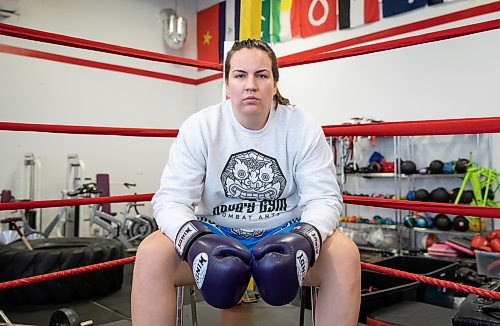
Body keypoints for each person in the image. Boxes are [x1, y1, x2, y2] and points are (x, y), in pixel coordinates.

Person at [131, 39, 361, 326]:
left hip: (284, 232)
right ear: (227, 85)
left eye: (261, 75)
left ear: (274, 84)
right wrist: (194, 241)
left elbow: (324, 198)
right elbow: (171, 200)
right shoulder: (201, 127)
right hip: (215, 234)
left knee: (344, 255)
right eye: (240, 75)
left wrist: (305, 238)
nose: (250, 85)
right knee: (152, 254)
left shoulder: (301, 126)